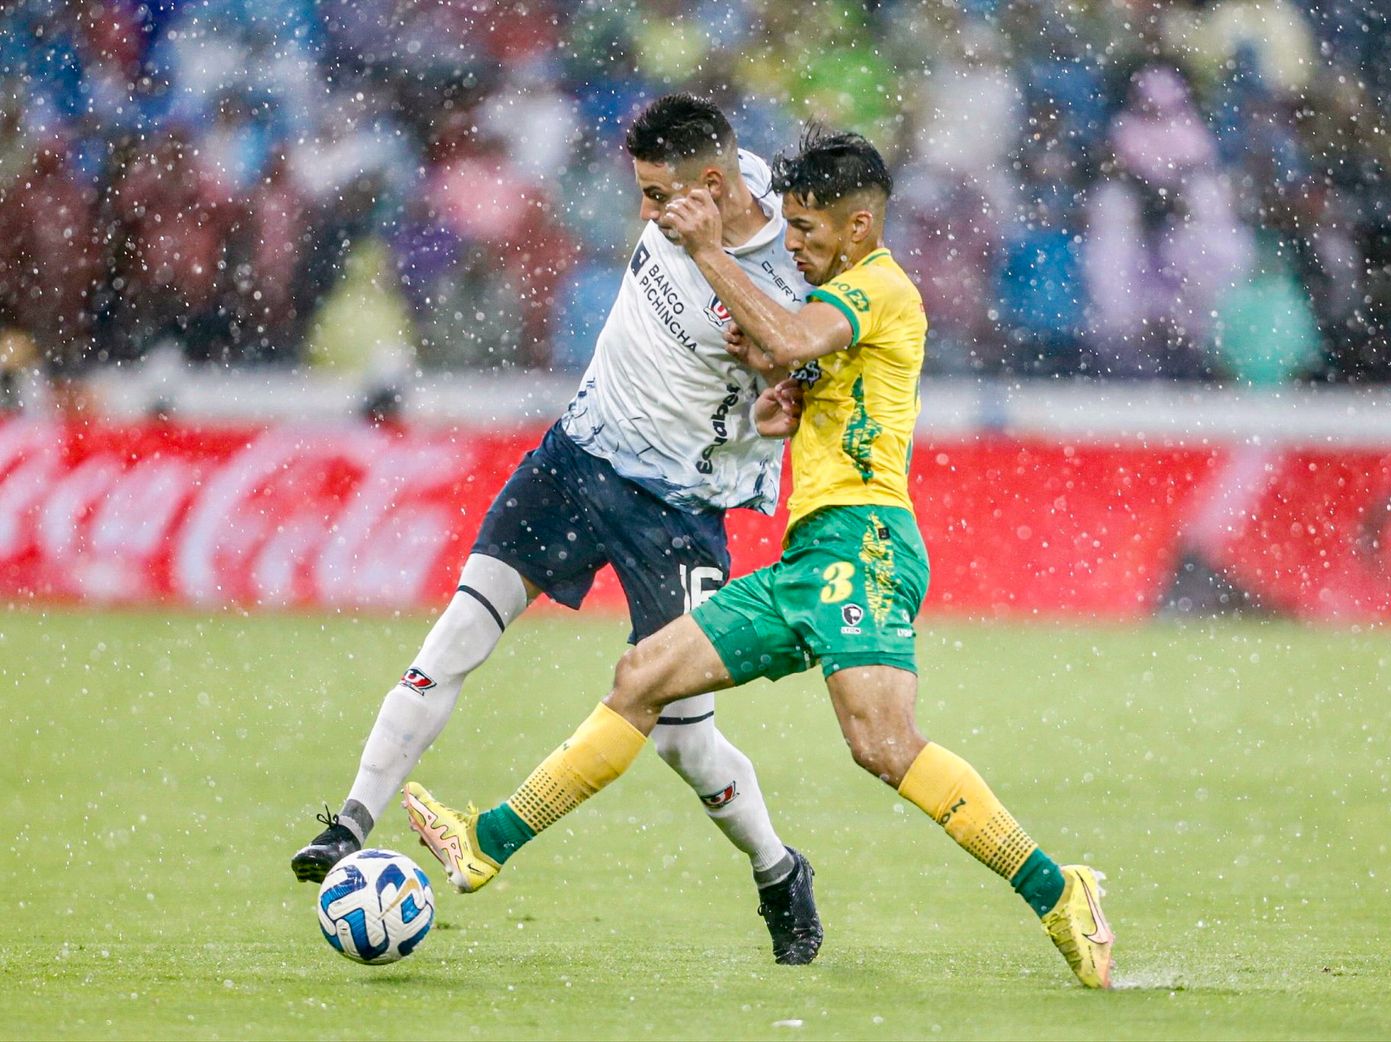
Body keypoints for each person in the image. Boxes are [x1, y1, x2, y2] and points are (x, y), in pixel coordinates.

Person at [401, 127, 1116, 988]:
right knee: (642, 679)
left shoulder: (879, 288)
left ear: (856, 228)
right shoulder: (840, 297)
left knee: (883, 744)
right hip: (810, 556)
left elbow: (789, 338)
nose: (797, 247)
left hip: (865, 545)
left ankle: (1057, 889)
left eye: (808, 233)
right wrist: (790, 409)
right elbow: (801, 374)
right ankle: (485, 846)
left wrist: (710, 253)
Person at [291, 94, 824, 966]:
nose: (645, 213)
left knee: (685, 739)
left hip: (680, 509)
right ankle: (348, 822)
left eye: (660, 196)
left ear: (716, 183)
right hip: (579, 455)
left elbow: (800, 361)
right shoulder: (731, 181)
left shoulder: (782, 273)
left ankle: (777, 870)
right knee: (459, 630)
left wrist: (780, 409)